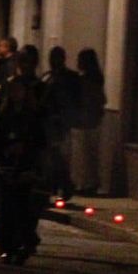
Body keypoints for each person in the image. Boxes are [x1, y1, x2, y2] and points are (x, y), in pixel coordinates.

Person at [0, 70, 46, 264]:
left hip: (26, 166)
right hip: (6, 166)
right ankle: (6, 245)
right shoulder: (2, 114)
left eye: (19, 90)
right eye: (13, 90)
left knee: (23, 207)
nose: (16, 94)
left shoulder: (33, 116)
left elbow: (40, 140)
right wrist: (6, 149)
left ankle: (24, 243)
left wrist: (27, 150)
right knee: (6, 207)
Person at [40, 46, 81, 200]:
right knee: (52, 156)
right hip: (48, 123)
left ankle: (63, 185)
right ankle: (56, 185)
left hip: (61, 123)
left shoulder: (70, 78)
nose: (52, 61)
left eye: (55, 58)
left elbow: (73, 100)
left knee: (58, 156)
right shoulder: (47, 76)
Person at [68, 48, 107, 197]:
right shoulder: (97, 78)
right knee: (90, 155)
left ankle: (83, 183)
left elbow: (81, 99)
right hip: (94, 121)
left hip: (83, 120)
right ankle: (89, 182)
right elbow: (102, 100)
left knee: (81, 155)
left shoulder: (84, 80)